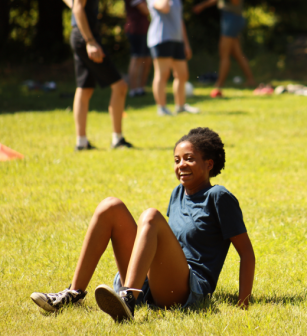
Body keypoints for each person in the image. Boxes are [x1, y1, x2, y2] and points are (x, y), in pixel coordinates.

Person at [30, 128, 256, 322]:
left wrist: (243, 304)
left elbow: (246, 253)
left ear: (209, 164)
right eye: (177, 160)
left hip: (188, 288)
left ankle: (128, 298)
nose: (181, 165)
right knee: (111, 206)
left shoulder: (218, 197)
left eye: (189, 158)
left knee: (150, 216)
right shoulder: (178, 193)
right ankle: (73, 293)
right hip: (153, 282)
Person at [62, 0, 133, 150]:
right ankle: (117, 139)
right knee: (120, 86)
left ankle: (81, 143)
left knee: (85, 88)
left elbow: (76, 5)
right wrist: (90, 41)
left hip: (81, 35)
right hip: (85, 37)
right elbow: (78, 8)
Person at [192, 0, 256, 98]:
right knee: (238, 54)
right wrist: (202, 5)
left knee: (224, 54)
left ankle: (219, 84)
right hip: (230, 18)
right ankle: (250, 80)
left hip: (232, 19)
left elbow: (236, 2)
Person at [147, 0, 200, 116]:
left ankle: (180, 106)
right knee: (163, 73)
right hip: (161, 38)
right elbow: (164, 8)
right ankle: (162, 108)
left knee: (182, 74)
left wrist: (185, 43)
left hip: (177, 39)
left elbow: (179, 21)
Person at [124, 0, 152, 97]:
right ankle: (133, 90)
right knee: (137, 59)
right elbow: (146, 10)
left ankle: (141, 88)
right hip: (135, 29)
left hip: (145, 29)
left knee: (147, 59)